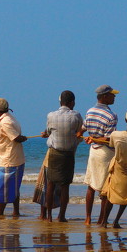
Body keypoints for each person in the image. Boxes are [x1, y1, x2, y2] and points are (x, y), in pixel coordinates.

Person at [95, 108, 127, 227]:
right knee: (126, 195)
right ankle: (116, 221)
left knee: (111, 194)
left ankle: (104, 221)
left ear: (125, 120)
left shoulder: (116, 135)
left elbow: (112, 144)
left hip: (118, 169)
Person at [39, 90, 84, 222]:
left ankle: (49, 216)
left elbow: (48, 131)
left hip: (54, 153)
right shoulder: (76, 116)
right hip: (68, 154)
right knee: (65, 186)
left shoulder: (51, 115)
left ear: (60, 102)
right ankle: (61, 216)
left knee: (51, 184)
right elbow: (79, 132)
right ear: (72, 102)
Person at [82, 84, 119, 225]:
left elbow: (84, 127)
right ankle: (101, 219)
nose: (114, 97)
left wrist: (81, 134)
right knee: (105, 187)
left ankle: (88, 218)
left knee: (91, 185)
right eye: (112, 95)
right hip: (105, 153)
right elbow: (108, 138)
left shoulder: (89, 111)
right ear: (104, 97)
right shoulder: (112, 115)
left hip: (93, 151)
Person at [0, 98, 28, 217]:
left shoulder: (5, 121)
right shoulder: (10, 118)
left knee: (3, 188)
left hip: (8, 160)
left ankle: (0, 212)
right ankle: (15, 211)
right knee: (14, 187)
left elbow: (15, 138)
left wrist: (22, 138)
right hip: (13, 158)